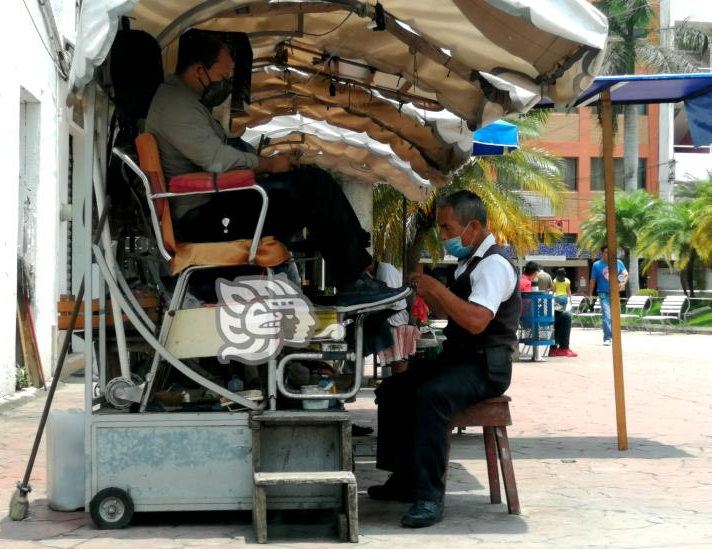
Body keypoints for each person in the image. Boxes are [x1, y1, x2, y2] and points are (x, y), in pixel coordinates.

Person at [145, 32, 398, 305]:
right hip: (204, 221)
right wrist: (266, 164)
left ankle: (357, 270)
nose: (227, 82)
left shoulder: (185, 103)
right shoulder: (175, 105)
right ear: (199, 70)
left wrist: (271, 167)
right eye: (224, 74)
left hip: (216, 209)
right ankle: (353, 279)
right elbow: (216, 160)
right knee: (312, 185)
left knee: (310, 183)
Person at [369, 190, 519, 528]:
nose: (444, 236)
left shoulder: (494, 264)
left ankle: (429, 496)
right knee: (393, 389)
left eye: (448, 229)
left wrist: (438, 291)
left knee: (431, 397)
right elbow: (452, 312)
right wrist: (430, 294)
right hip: (459, 359)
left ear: (474, 226)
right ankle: (405, 478)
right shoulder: (469, 262)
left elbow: (477, 320)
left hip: (485, 367)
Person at [588, 245, 628, 345]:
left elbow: (625, 274)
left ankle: (615, 337)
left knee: (615, 315)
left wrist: (622, 283)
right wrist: (590, 294)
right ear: (602, 253)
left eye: (610, 252)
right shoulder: (597, 265)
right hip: (602, 294)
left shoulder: (618, 262)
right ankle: (607, 337)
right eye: (606, 252)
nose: (608, 254)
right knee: (606, 315)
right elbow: (593, 280)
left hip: (615, 293)